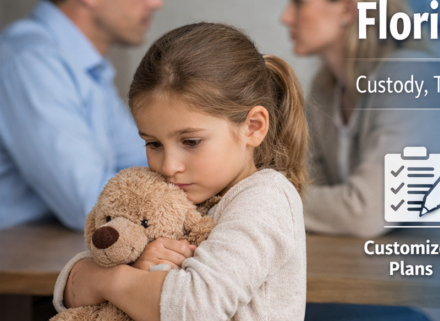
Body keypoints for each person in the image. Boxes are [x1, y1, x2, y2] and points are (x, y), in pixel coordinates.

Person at [52, 23, 308, 320]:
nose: (169, 167)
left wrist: (108, 280)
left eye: (191, 141)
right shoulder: (176, 197)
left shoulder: (266, 198)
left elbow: (195, 308)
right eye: (153, 143)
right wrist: (136, 268)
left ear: (253, 127)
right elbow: (70, 292)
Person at [281, 0, 440, 239]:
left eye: (299, 4)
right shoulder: (324, 89)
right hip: (370, 260)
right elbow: (314, 194)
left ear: (347, 9)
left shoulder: (412, 75)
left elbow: (365, 213)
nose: (287, 18)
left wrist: (267, 203)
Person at [0, 0, 162, 231]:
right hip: (15, 259)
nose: (156, 3)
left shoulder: (82, 65)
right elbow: (90, 206)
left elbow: (147, 161)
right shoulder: (32, 61)